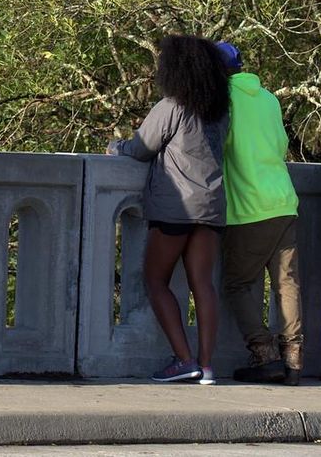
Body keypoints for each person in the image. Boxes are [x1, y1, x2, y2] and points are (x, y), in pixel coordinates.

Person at [109, 35, 230, 385]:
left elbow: (142, 148)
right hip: (212, 207)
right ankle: (207, 366)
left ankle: (183, 359)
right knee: (202, 284)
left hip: (175, 207)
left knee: (156, 280)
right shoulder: (220, 111)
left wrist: (115, 147)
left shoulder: (172, 106)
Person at [213, 42, 303, 386]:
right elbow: (280, 146)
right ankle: (294, 359)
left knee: (236, 284)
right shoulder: (268, 98)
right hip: (283, 199)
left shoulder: (223, 102)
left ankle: (264, 354)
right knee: (287, 283)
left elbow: (218, 146)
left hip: (249, 206)